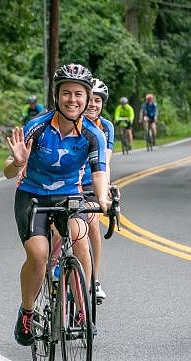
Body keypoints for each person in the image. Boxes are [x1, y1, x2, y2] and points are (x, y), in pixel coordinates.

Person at [4, 64, 110, 346]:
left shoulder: (92, 134)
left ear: (87, 98)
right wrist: (16, 162)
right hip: (32, 195)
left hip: (68, 194)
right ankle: (27, 312)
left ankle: (81, 304)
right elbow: (8, 171)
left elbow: (99, 173)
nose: (72, 100)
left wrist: (102, 199)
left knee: (80, 236)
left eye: (78, 94)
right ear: (56, 96)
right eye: (66, 93)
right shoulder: (37, 126)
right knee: (38, 255)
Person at [82, 78, 115, 302]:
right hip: (66, 182)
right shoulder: (71, 122)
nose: (93, 104)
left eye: (98, 100)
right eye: (90, 100)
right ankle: (54, 264)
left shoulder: (106, 128)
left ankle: (94, 279)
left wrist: (105, 192)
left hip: (91, 182)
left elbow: (105, 163)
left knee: (93, 222)